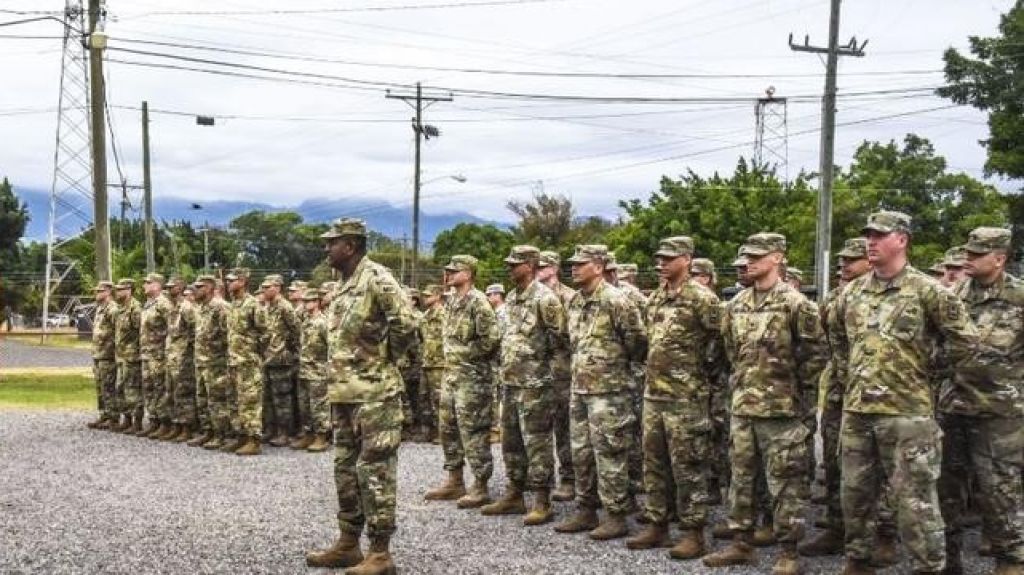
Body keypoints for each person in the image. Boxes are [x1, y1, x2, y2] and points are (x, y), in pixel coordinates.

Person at [829, 211, 979, 574]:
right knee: (855, 494)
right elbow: (835, 335)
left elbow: (966, 341)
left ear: (902, 240)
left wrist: (926, 370)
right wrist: (852, 374)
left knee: (915, 502)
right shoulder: (853, 291)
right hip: (859, 410)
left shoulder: (927, 290)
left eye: (880, 235)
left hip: (907, 412)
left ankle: (928, 567)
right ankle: (858, 560)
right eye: (869, 235)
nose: (871, 242)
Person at [704, 233, 826, 575]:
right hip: (743, 406)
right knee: (741, 478)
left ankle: (788, 552)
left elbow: (816, 356)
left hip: (782, 411)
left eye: (757, 256)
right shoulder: (736, 304)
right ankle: (741, 543)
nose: (749, 261)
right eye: (746, 256)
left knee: (786, 483)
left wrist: (796, 397)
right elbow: (731, 353)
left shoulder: (797, 304)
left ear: (777, 258)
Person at [306, 218, 417, 574]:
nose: (327, 248)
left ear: (350, 246)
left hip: (375, 395)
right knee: (345, 470)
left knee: (375, 472)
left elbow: (407, 324)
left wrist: (387, 360)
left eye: (332, 243)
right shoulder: (343, 284)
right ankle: (348, 543)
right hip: (344, 393)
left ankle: (380, 552)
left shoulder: (378, 278)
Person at [625, 236, 722, 560]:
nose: (661, 263)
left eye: (668, 258)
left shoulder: (702, 299)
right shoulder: (656, 298)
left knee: (688, 466)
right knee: (654, 464)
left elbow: (720, 343)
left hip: (686, 398)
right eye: (659, 258)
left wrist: (701, 376)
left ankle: (693, 532)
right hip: (655, 395)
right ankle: (657, 524)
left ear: (687, 259)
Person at [938, 227, 1023, 574]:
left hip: (999, 414)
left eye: (976, 255)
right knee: (947, 491)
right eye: (967, 253)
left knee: (1000, 491)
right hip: (954, 408)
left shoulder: (1019, 298)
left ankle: (1010, 560)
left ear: (999, 258)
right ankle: (949, 561)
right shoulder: (952, 295)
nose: (967, 259)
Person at [554, 244, 647, 541]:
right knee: (581, 452)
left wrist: (614, 370)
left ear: (598, 266)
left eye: (581, 263)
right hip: (580, 388)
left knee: (610, 452)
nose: (574, 268)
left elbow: (638, 344)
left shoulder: (617, 301)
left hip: (610, 391)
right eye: (573, 263)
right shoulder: (576, 302)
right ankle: (586, 509)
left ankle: (616, 514)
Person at [480, 245, 567, 526]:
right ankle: (514, 493)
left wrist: (548, 379)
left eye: (515, 264)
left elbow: (562, 344)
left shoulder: (545, 299)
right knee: (511, 442)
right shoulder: (512, 301)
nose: (510, 268)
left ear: (530, 265)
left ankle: (542, 500)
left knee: (537, 443)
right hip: (510, 383)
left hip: (536, 385)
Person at [424, 255, 501, 507]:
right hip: (451, 376)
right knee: (448, 429)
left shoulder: (478, 302)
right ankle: (454, 480)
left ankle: (480, 484)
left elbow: (490, 339)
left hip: (473, 378)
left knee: (473, 432)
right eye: (448, 270)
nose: (448, 274)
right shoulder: (451, 302)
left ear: (468, 274)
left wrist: (465, 355)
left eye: (454, 271)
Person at [537, 250, 577, 502]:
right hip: (537, 372)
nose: (537, 271)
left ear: (553, 268)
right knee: (538, 429)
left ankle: (569, 479)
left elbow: (572, 336)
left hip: (563, 372)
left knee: (565, 428)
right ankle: (540, 479)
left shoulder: (570, 297)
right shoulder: (532, 296)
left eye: (542, 267)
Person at [258, 273, 300, 448]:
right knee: (268, 397)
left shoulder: (285, 307)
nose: (264, 290)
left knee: (282, 398)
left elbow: (297, 330)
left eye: (268, 287)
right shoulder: (268, 306)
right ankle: (271, 429)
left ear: (277, 287)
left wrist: (288, 351)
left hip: (281, 359)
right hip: (268, 358)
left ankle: (285, 432)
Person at [189, 275, 231, 449]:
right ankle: (208, 431)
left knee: (217, 400)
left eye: (199, 287)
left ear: (208, 288)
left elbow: (228, 335)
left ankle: (222, 434)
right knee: (203, 399)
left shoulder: (220, 307)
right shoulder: (200, 308)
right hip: (201, 361)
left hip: (216, 363)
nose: (195, 290)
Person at [226, 267, 263, 456]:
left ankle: (254, 440)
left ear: (242, 281)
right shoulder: (232, 304)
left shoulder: (253, 304)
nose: (228, 283)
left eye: (232, 280)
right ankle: (241, 436)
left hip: (248, 361)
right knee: (235, 401)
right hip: (234, 360)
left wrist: (256, 354)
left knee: (250, 401)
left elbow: (265, 332)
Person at [293, 288, 331, 452]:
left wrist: (329, 369)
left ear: (317, 302)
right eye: (304, 301)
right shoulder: (306, 321)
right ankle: (308, 434)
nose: (305, 304)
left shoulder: (323, 323)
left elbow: (332, 347)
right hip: (304, 370)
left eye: (309, 301)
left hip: (318, 372)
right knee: (304, 406)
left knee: (319, 406)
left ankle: (321, 437)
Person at [139, 273, 174, 438]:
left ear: (157, 285)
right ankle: (153, 420)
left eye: (148, 282)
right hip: (147, 354)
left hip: (159, 354)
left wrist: (167, 352)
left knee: (160, 389)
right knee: (149, 389)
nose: (144, 285)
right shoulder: (147, 304)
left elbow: (172, 329)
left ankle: (164, 422)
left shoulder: (163, 304)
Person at [165, 276, 199, 442]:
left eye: (172, 287)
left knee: (184, 394)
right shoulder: (173, 307)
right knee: (172, 392)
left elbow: (195, 330)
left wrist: (187, 351)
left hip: (183, 358)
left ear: (180, 287)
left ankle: (187, 428)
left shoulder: (186, 308)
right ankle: (176, 425)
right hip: (172, 357)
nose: (169, 289)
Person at [112, 278, 143, 433]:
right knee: (121, 388)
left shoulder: (135, 309)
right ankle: (127, 418)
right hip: (121, 355)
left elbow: (140, 333)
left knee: (133, 389)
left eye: (120, 289)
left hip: (132, 356)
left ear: (129, 290)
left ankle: (136, 421)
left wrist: (137, 352)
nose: (117, 292)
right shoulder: (120, 309)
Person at [87, 280, 118, 430]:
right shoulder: (100, 309)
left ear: (108, 292)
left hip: (108, 354)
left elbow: (117, 332)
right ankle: (104, 415)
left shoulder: (112, 309)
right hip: (99, 354)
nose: (96, 294)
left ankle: (113, 416)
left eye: (99, 291)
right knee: (100, 386)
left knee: (109, 386)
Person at [418, 284, 446, 443]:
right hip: (427, 362)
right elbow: (422, 339)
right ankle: (428, 431)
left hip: (440, 364)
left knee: (439, 399)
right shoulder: (425, 317)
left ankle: (442, 433)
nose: (425, 298)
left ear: (437, 296)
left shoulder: (444, 315)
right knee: (424, 398)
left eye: (428, 295)